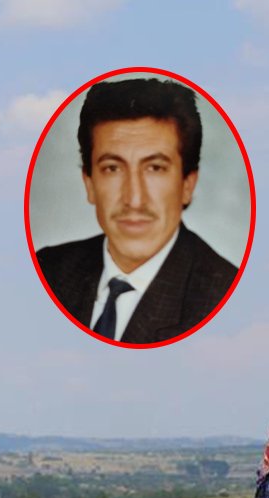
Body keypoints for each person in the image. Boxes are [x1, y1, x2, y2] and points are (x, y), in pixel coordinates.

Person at [35, 77, 236, 344]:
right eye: (112, 168)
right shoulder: (49, 270)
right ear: (90, 184)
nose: (134, 198)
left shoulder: (224, 298)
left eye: (155, 168)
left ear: (188, 184)